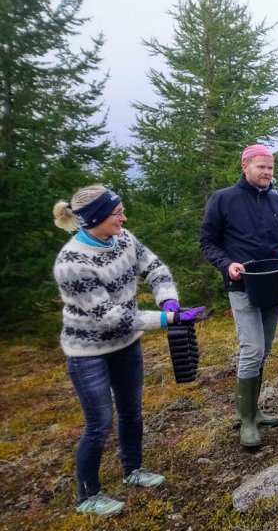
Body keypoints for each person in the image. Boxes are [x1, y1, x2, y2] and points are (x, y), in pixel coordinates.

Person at [53, 185, 204, 516]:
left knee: (131, 409)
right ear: (94, 218)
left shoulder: (123, 238)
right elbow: (110, 317)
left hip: (126, 345)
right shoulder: (72, 263)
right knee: (99, 423)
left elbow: (155, 267)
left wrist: (168, 298)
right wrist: (167, 318)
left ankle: (132, 469)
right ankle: (88, 495)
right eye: (116, 213)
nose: (124, 217)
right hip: (87, 351)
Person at [200, 144, 278, 447]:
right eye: (261, 167)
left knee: (264, 349)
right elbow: (208, 242)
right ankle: (245, 421)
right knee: (252, 349)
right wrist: (227, 264)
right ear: (245, 166)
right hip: (242, 286)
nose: (267, 173)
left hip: (273, 284)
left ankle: (253, 410)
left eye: (270, 168)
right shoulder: (224, 199)